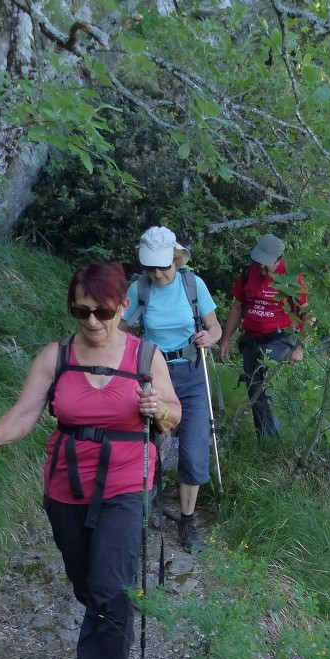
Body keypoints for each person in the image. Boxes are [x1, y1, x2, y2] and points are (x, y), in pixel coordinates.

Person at [0, 261, 180, 659]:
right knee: (90, 587)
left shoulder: (145, 356)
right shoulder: (56, 356)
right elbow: (23, 414)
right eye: (80, 311)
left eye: (102, 311)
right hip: (66, 487)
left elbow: (173, 413)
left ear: (123, 306)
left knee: (111, 589)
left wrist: (159, 411)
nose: (91, 321)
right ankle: (109, 643)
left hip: (128, 484)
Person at [122, 226, 222, 554]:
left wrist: (209, 338)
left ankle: (188, 521)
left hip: (191, 375)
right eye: (150, 267)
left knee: (193, 452)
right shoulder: (140, 289)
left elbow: (215, 327)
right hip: (151, 374)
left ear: (175, 259)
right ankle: (142, 505)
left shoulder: (193, 284)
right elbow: (118, 328)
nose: (157, 273)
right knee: (146, 447)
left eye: (163, 266)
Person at [218, 233, 312, 438]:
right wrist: (225, 339)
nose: (260, 268)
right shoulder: (248, 274)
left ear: (278, 260)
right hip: (251, 338)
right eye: (257, 262)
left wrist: (299, 347)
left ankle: (274, 429)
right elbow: (237, 308)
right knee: (253, 386)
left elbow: (308, 315)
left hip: (279, 339)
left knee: (263, 367)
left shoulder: (291, 278)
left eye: (265, 264)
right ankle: (266, 436)